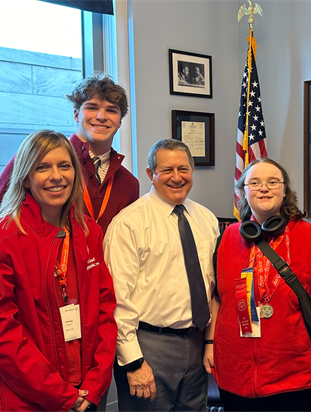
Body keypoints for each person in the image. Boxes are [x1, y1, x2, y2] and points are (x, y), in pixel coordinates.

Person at [0, 130, 117, 411]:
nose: (56, 176)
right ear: (24, 176)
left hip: (86, 392)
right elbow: (0, 335)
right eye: (42, 167)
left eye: (64, 166)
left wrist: (95, 384)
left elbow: (106, 311)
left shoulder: (88, 231)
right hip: (27, 398)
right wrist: (60, 395)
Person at [204, 158, 311, 412]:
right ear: (243, 191)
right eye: (255, 182)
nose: (264, 188)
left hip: (294, 380)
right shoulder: (227, 237)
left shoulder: (310, 237)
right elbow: (218, 297)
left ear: (285, 190)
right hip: (234, 377)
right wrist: (210, 343)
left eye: (273, 182)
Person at [104, 139, 219, 412]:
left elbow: (212, 286)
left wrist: (209, 341)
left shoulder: (206, 218)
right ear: (150, 175)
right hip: (148, 345)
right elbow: (117, 299)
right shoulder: (128, 223)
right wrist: (133, 362)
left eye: (184, 169)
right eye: (166, 170)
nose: (176, 177)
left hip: (196, 343)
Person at [0, 72, 139, 234]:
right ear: (76, 115)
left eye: (111, 110)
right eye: (92, 108)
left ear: (120, 121)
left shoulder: (128, 185)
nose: (101, 116)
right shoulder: (36, 156)